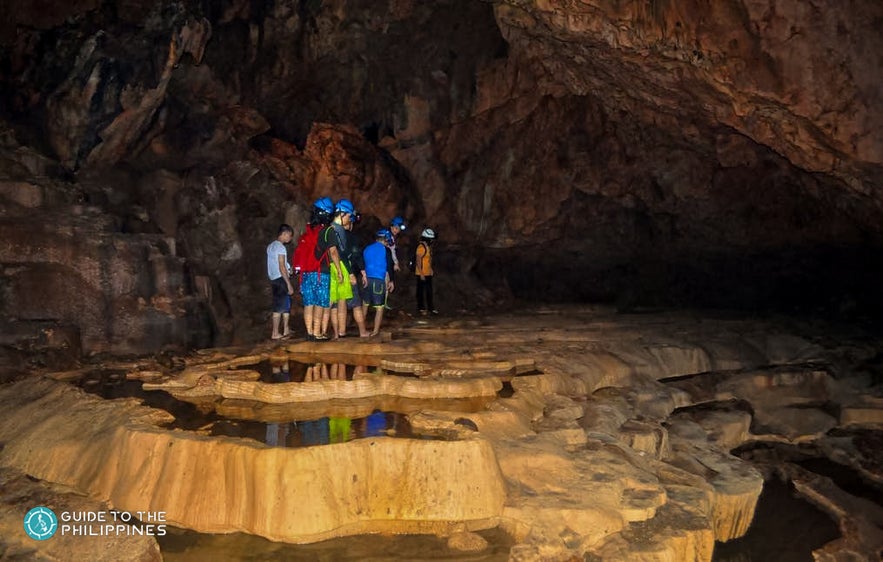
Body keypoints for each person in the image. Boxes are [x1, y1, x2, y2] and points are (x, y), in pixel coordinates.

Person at [292, 197, 333, 341]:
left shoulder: (306, 233)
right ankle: (317, 333)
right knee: (320, 303)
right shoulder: (325, 232)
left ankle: (309, 332)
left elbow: (299, 254)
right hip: (321, 273)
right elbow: (330, 252)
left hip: (306, 274)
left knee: (309, 303)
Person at [315, 199, 356, 338]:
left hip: (334, 266)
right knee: (335, 301)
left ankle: (338, 332)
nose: (349, 220)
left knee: (337, 301)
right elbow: (339, 253)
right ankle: (324, 332)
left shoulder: (335, 229)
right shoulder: (335, 230)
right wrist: (348, 273)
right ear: (342, 213)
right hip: (336, 266)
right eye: (349, 216)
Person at [363, 229, 395, 335]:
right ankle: (375, 331)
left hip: (367, 279)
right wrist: (391, 281)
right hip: (378, 280)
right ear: (386, 239)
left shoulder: (367, 248)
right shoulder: (386, 250)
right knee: (379, 308)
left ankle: (362, 330)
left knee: (365, 305)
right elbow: (390, 266)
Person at [267, 224, 295, 339]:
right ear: (284, 234)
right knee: (281, 307)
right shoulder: (280, 247)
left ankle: (286, 329)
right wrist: (289, 284)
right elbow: (281, 266)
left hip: (274, 278)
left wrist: (289, 269)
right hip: (281, 279)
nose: (290, 238)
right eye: (289, 235)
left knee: (281, 305)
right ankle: (276, 333)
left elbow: (280, 264)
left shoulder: (271, 246)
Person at [415, 228, 437, 315]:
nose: (432, 241)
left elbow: (429, 259)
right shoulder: (421, 248)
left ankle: (430, 308)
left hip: (428, 273)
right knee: (420, 291)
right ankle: (421, 308)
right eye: (430, 239)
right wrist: (421, 273)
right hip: (421, 273)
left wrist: (430, 269)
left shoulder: (428, 247)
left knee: (429, 291)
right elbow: (418, 261)